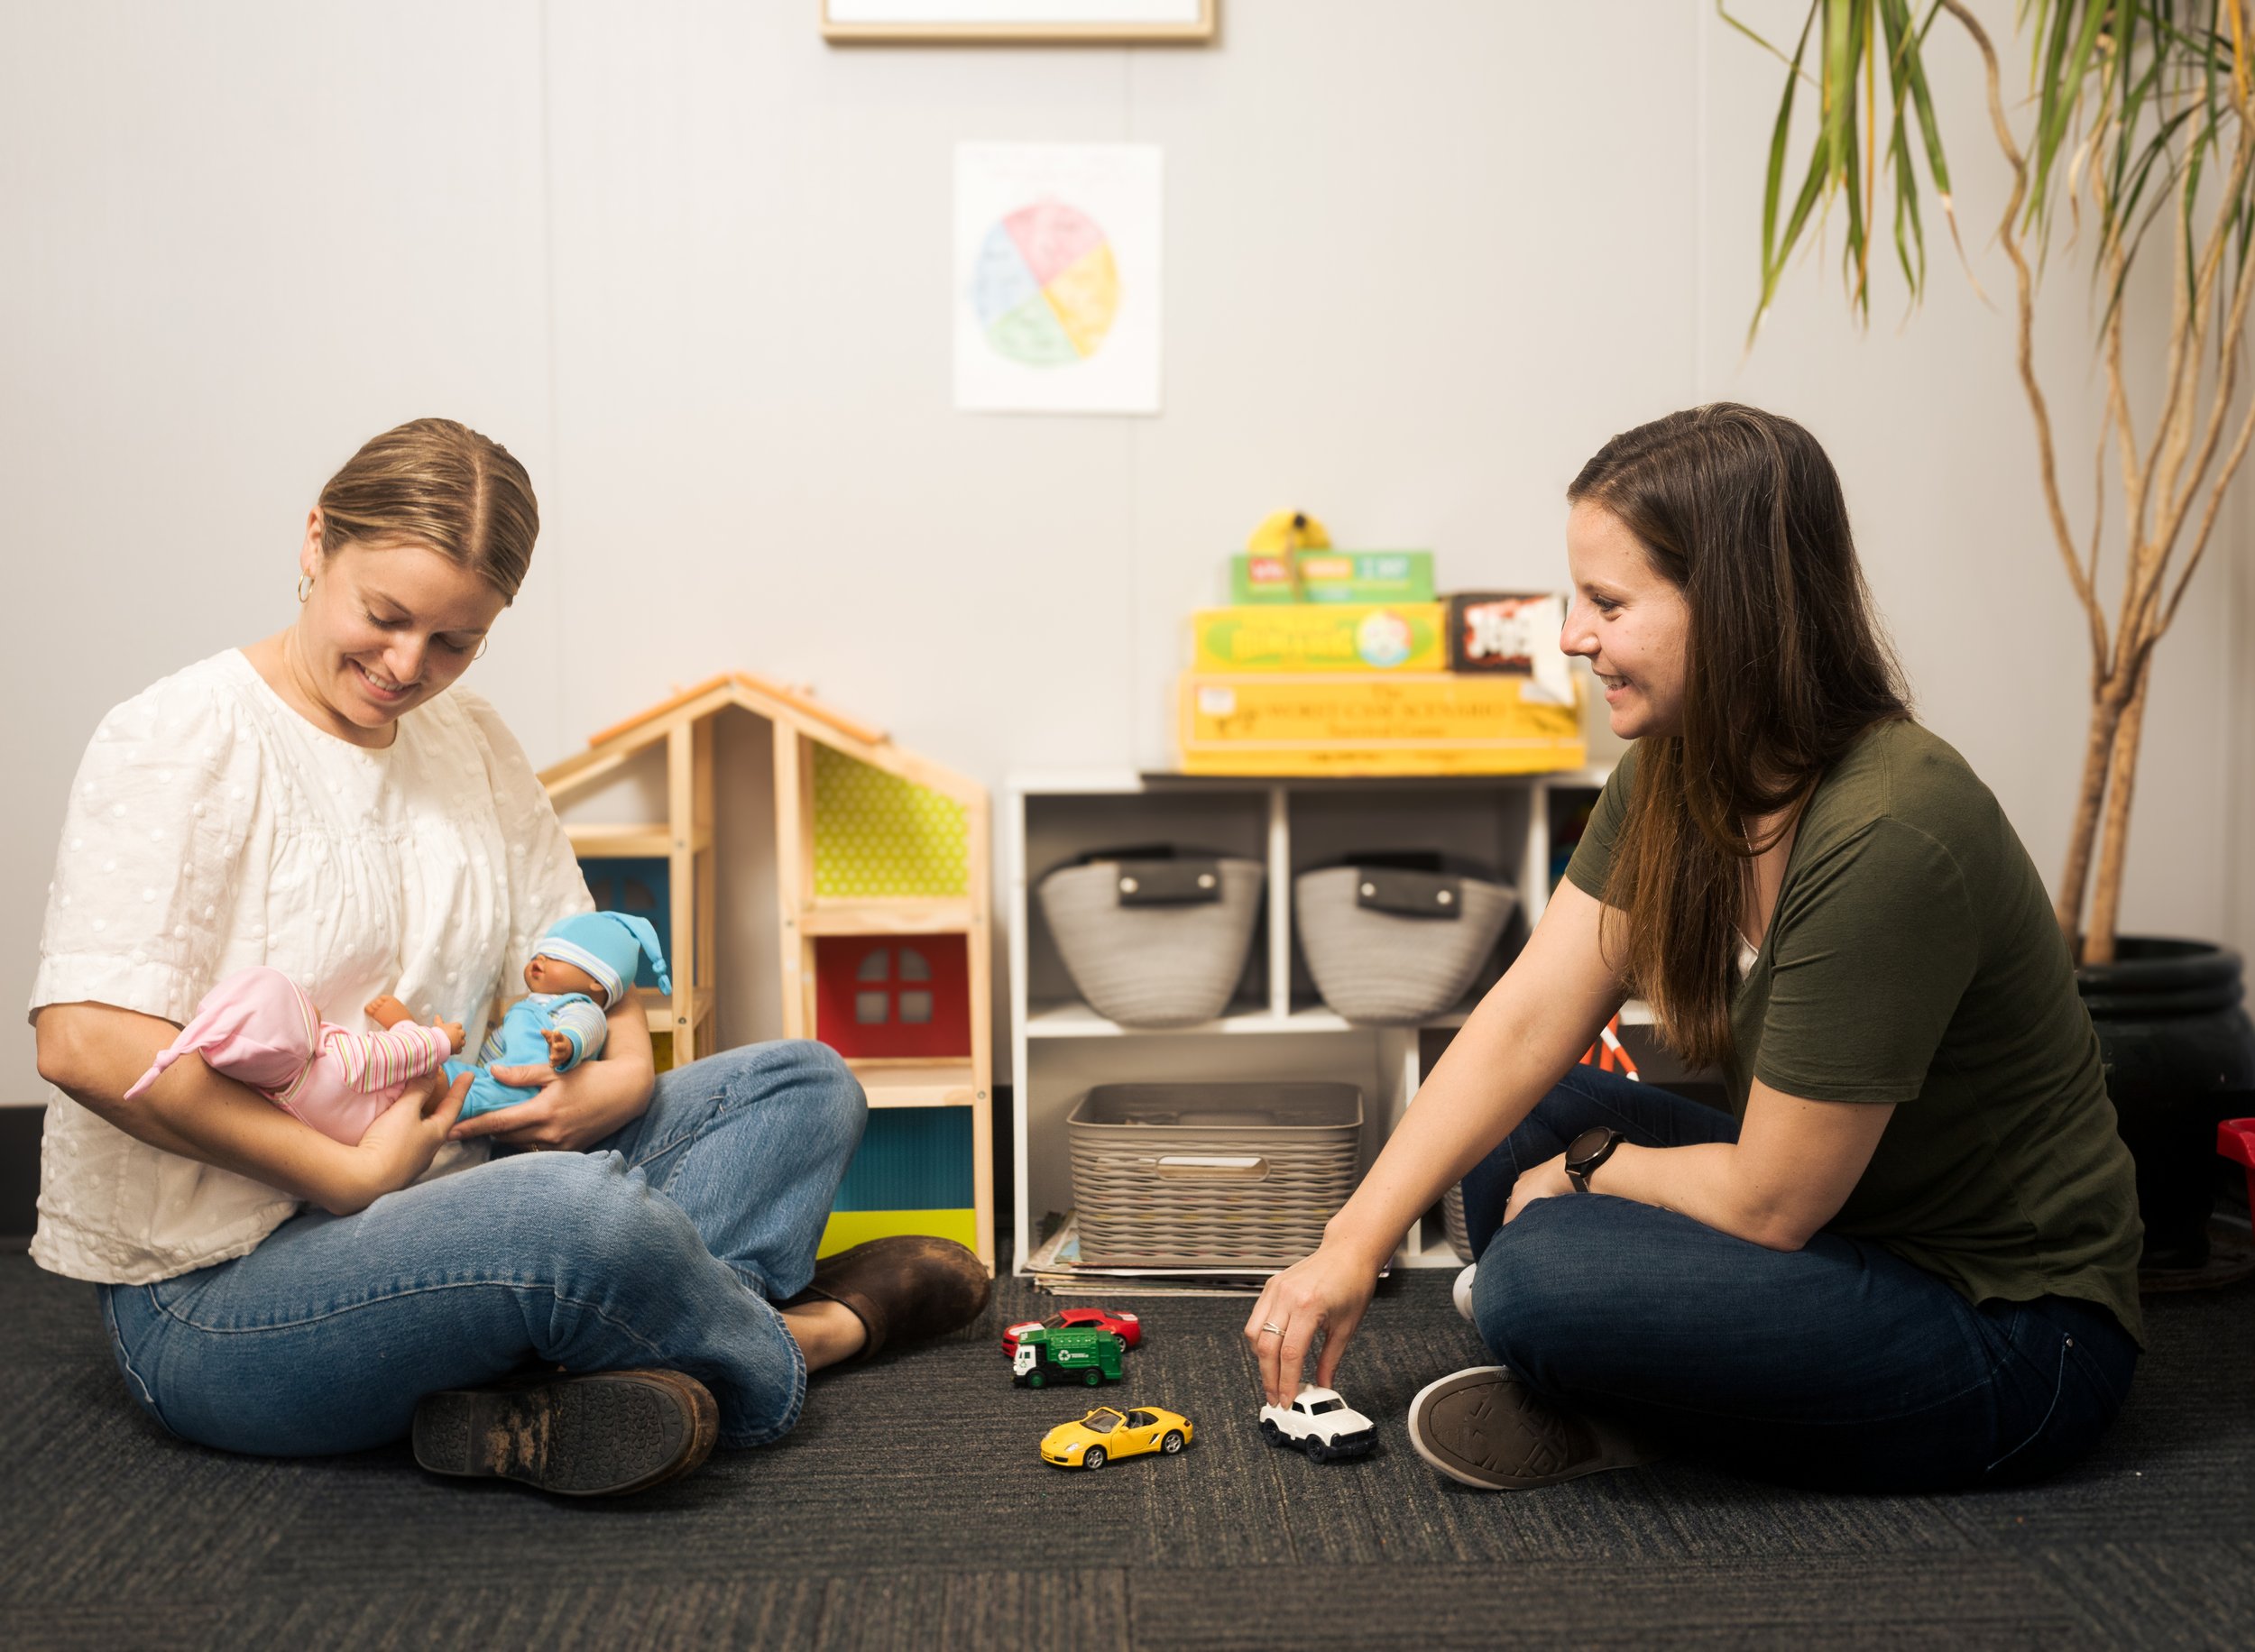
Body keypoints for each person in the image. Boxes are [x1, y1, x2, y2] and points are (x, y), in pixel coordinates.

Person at [31, 417, 989, 1498]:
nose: (407, 667)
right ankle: (802, 1340)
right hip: (221, 1292)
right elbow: (82, 1043)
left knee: (802, 1083)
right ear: (314, 542)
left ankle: (572, 1379)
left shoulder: (470, 738)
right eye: (384, 618)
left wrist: (618, 1076)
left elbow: (585, 952)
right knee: (572, 1220)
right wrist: (348, 1175)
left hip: (463, 1179)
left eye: (455, 640)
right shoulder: (179, 734)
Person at [1245, 403, 2144, 1495]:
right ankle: (1681, 1383)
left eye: (1609, 604)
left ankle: (1650, 1391)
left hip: (2006, 1330)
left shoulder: (1890, 829)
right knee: (1510, 1124)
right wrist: (1350, 1242)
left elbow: (1772, 1201)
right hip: (1836, 1230)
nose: (1574, 636)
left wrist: (1594, 1172)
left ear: (1737, 611)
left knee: (1536, 1279)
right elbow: (1529, 1013)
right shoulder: (1678, 765)